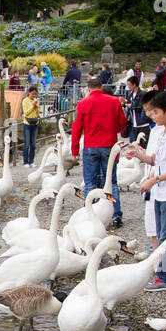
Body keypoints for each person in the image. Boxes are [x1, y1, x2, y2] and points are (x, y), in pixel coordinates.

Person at [124, 91, 166, 290]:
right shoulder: (163, 134)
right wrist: (138, 154)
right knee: (163, 233)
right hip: (161, 192)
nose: (152, 116)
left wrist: (154, 180)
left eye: (156, 112)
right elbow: (155, 160)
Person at [71, 77, 128, 228]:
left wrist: (75, 149)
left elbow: (76, 128)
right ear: (101, 87)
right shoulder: (114, 101)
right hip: (109, 145)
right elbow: (123, 122)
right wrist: (114, 128)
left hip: (91, 146)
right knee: (111, 181)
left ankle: (91, 213)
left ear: (88, 89)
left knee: (90, 182)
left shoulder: (82, 104)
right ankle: (115, 215)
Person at [20, 85, 41, 165]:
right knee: (27, 144)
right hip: (27, 123)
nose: (34, 96)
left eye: (35, 94)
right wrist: (33, 106)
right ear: (29, 93)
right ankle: (25, 162)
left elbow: (38, 112)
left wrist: (36, 107)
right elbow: (26, 112)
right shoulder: (25, 101)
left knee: (33, 144)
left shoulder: (36, 100)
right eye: (32, 94)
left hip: (35, 123)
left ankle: (31, 161)